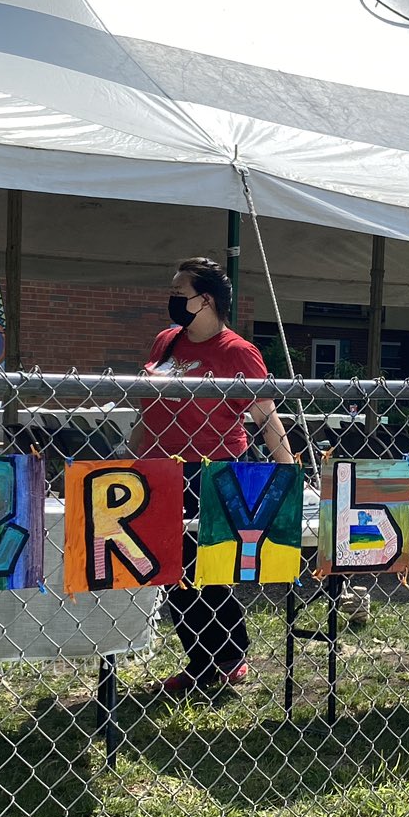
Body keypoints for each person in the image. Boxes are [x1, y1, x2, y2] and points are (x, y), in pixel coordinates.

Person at [133, 257, 297, 694]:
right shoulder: (166, 342)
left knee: (204, 570)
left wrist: (289, 473)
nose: (171, 301)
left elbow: (265, 417)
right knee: (170, 571)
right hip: (159, 470)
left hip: (211, 470)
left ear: (205, 301)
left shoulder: (237, 352)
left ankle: (225, 657)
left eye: (179, 294)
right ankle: (207, 660)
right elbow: (147, 413)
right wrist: (129, 458)